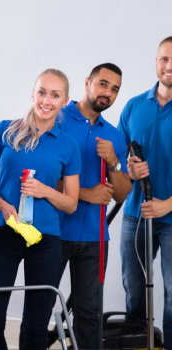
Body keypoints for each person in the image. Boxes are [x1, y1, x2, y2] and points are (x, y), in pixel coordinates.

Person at [0, 69, 81, 350]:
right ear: (33, 94)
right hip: (3, 232)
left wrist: (45, 190)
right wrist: (1, 204)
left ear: (65, 101)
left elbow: (71, 203)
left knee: (35, 324)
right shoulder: (5, 130)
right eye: (42, 92)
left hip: (45, 240)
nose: (47, 100)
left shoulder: (69, 146)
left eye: (55, 95)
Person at [57, 63, 132, 349]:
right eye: (103, 84)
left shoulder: (114, 135)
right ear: (87, 82)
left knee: (89, 314)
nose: (107, 93)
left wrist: (113, 161)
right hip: (54, 232)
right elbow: (39, 178)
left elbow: (122, 195)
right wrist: (86, 194)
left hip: (95, 238)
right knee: (38, 305)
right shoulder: (58, 118)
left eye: (114, 89)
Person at [117, 37, 172, 350]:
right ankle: (138, 344)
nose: (169, 67)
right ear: (155, 62)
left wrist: (167, 204)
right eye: (164, 59)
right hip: (135, 215)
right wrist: (128, 167)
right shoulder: (134, 106)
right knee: (135, 289)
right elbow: (119, 163)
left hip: (170, 215)